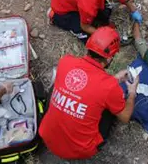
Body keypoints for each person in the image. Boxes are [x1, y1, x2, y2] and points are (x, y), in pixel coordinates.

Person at [39, 26, 139, 160]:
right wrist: (132, 92)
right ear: (109, 58)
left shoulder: (66, 62)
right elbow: (125, 117)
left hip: (47, 136)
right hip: (78, 151)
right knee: (111, 110)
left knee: (58, 88)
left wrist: (114, 78)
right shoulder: (109, 87)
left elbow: (88, 87)